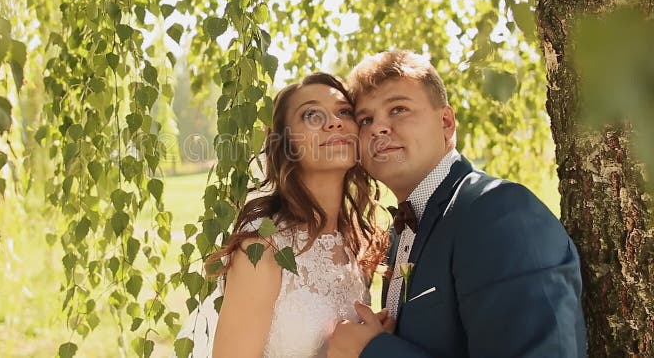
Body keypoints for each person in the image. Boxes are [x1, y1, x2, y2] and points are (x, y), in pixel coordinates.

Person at [328, 50, 586, 358]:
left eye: (398, 109)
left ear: (446, 123)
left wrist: (371, 351)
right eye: (366, 119)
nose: (378, 128)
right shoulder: (400, 235)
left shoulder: (500, 212)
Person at [176, 72, 387, 357]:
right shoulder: (264, 248)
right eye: (312, 115)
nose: (334, 122)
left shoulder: (356, 241)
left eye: (344, 111)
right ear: (287, 143)